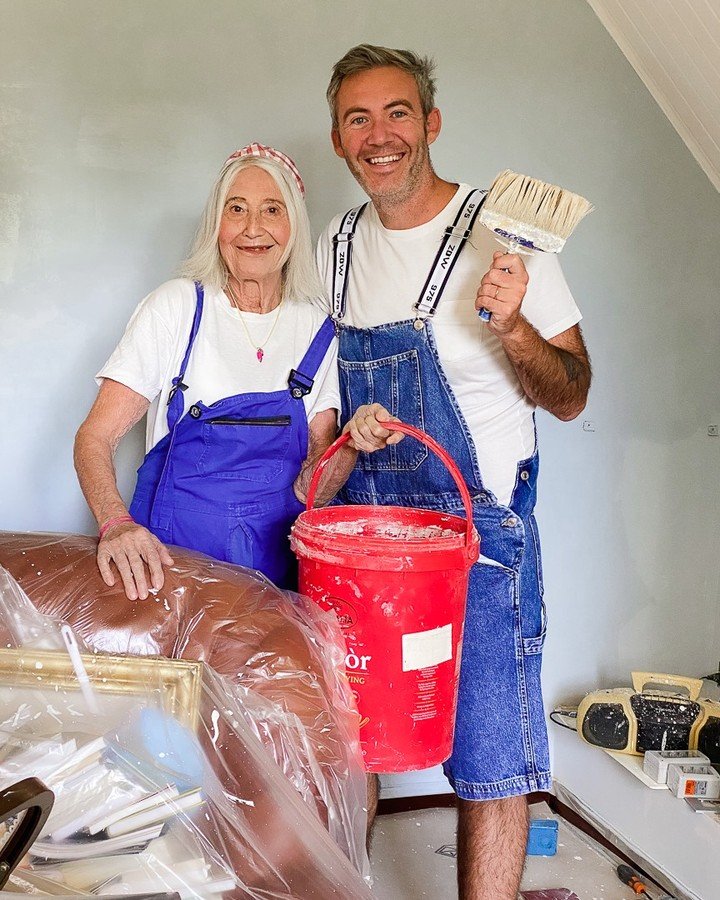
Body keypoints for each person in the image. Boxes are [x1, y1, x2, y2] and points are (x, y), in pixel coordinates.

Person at [316, 45, 592, 899]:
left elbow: (573, 394)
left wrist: (514, 327)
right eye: (358, 119)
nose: (380, 135)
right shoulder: (335, 246)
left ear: (431, 123)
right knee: (351, 740)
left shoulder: (501, 239)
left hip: (480, 537)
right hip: (370, 541)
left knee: (491, 755)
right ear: (338, 139)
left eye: (398, 112)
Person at [75, 143, 360, 600]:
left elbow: (313, 489)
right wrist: (115, 524)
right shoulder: (177, 307)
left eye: (272, 209)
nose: (253, 228)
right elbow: (95, 436)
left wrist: (353, 444)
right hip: (170, 574)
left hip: (277, 584)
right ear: (217, 224)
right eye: (236, 209)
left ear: (293, 226)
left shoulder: (317, 328)